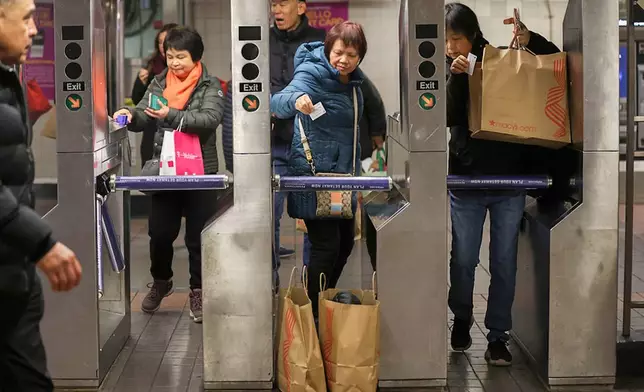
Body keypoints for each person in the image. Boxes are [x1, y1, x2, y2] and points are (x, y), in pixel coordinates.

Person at [444, 2, 559, 366]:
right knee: (463, 260)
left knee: (505, 262)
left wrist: (531, 39)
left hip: (510, 179)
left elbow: (553, 66)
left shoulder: (503, 60)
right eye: (445, 40)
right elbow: (447, 116)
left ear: (473, 35)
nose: (451, 47)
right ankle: (462, 316)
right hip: (466, 180)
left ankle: (497, 337)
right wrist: (455, 76)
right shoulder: (452, 67)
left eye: (456, 39)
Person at [113, 26, 224, 323]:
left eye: (181, 57)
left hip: (200, 173)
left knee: (198, 238)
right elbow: (142, 112)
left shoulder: (210, 85)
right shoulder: (160, 83)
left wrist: (170, 116)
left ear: (196, 57)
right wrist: (129, 117)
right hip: (167, 170)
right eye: (171, 56)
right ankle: (161, 281)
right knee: (160, 233)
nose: (174, 63)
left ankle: (199, 289)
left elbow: (210, 119)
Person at [0, 0, 83, 390]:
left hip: (12, 276)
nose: (35, 29)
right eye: (27, 18)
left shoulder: (6, 77)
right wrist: (42, 243)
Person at [271, 21, 367, 317]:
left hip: (343, 177)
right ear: (328, 50)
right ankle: (312, 314)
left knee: (345, 246)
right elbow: (278, 101)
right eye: (339, 52)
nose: (344, 60)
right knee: (327, 245)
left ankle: (322, 299)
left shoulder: (354, 81)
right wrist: (296, 101)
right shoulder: (311, 72)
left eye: (352, 54)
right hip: (315, 176)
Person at [301, 74, 387, 271]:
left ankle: (320, 292)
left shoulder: (356, 80)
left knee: (341, 241)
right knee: (325, 243)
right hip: (323, 168)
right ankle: (315, 293)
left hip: (350, 160)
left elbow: (374, 103)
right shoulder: (311, 79)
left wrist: (376, 133)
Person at [270, 0, 326, 282]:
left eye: (282, 3)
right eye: (272, 3)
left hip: (312, 145)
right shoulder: (260, 42)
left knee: (314, 220)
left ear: (301, 7)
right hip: (274, 144)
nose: (276, 9)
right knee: (268, 217)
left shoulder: (320, 42)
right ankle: (270, 284)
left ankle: (312, 285)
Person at [130, 23, 178, 167]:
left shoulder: (186, 69)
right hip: (152, 130)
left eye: (167, 41)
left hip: (176, 132)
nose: (163, 46)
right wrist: (140, 82)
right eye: (160, 42)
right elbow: (138, 101)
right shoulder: (152, 65)